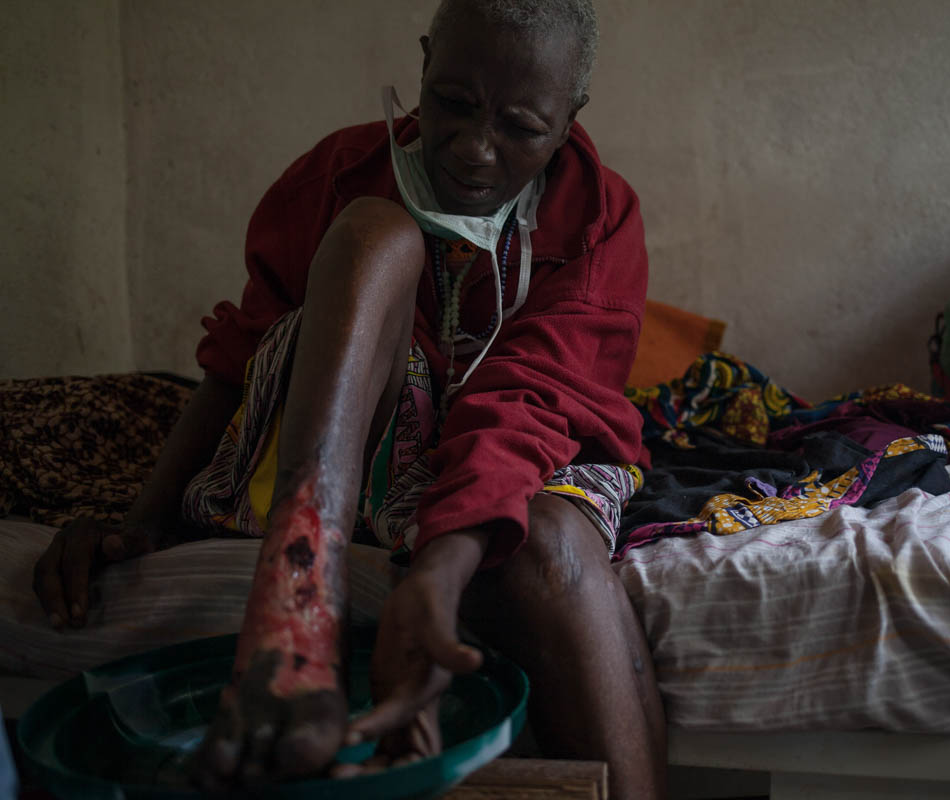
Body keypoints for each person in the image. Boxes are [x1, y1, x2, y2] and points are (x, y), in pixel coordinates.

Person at [31, 1, 667, 797]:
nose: (474, 150)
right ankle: (294, 614)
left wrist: (439, 571)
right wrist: (143, 520)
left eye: (520, 128)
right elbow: (239, 359)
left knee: (543, 546)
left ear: (570, 118)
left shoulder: (601, 218)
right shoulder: (334, 176)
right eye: (453, 104)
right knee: (375, 230)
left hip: (509, 455)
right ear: (426, 63)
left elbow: (531, 402)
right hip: (344, 446)